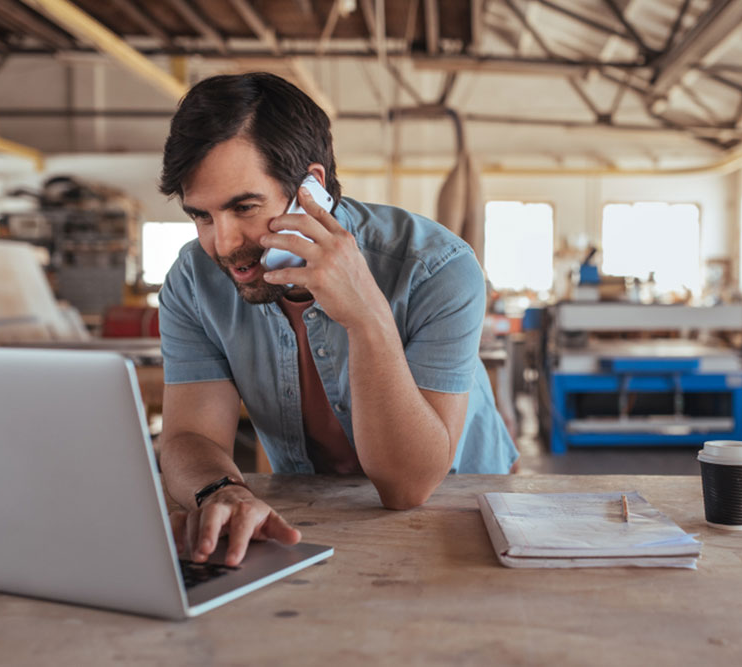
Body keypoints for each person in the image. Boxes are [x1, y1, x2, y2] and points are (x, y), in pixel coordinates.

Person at [157, 72, 518, 567]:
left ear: (311, 188)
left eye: (245, 207)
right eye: (201, 216)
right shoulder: (193, 281)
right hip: (308, 513)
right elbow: (188, 437)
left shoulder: (438, 269)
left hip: (462, 507)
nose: (222, 243)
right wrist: (220, 490)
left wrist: (367, 318)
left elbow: (407, 488)